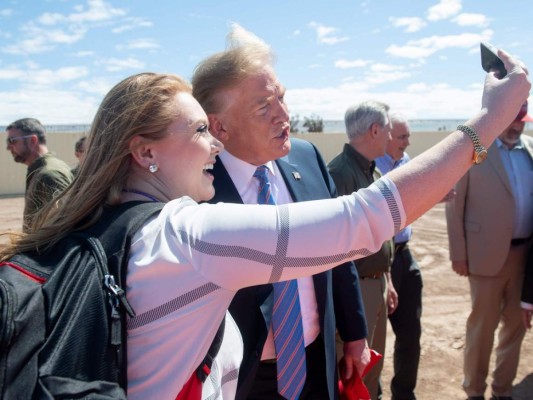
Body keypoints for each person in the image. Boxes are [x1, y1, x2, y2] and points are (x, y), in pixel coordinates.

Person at [0, 46, 529, 399]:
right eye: (200, 131)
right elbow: (366, 219)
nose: (214, 143)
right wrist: (486, 123)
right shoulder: (186, 234)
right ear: (145, 152)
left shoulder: (99, 225)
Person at [192, 24, 370, 400]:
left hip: (315, 360)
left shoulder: (307, 157)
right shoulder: (195, 190)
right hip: (240, 379)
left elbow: (339, 248)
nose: (284, 115)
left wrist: (355, 333)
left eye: (282, 99)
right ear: (218, 126)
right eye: (263, 107)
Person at [445, 100, 533, 400]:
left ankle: (502, 391)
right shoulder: (476, 150)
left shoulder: (531, 150)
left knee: (515, 329)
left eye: (521, 120)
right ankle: (474, 392)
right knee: (482, 330)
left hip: (524, 258)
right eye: (512, 119)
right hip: (484, 256)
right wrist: (459, 252)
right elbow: (455, 204)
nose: (517, 125)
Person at [328, 100, 398, 400]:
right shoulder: (339, 174)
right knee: (353, 373)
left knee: (371, 370)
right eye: (389, 130)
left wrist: (388, 279)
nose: (391, 137)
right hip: (356, 290)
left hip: (377, 284)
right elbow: (333, 249)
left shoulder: (372, 172)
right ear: (374, 130)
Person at [375, 113, 422, 400]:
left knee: (410, 335)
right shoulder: (373, 167)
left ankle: (404, 394)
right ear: (386, 135)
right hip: (379, 258)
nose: (408, 142)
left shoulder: (408, 163)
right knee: (375, 337)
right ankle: (374, 394)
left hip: (405, 254)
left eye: (408, 136)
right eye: (403, 136)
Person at [5, 118, 73, 232]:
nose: (8, 147)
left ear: (32, 140)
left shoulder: (49, 174)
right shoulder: (40, 170)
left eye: (12, 141)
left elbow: (65, 229)